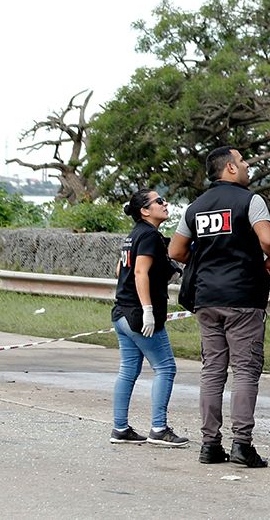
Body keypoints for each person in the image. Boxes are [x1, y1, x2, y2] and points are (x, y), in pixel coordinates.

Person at [169, 146, 270, 467]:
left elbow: (177, 250)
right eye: (243, 162)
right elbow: (268, 239)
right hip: (243, 297)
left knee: (213, 370)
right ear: (230, 169)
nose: (247, 167)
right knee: (245, 370)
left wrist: (209, 261)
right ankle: (242, 444)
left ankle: (209, 444)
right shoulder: (251, 201)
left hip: (206, 298)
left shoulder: (195, 207)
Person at [110, 188, 189, 447]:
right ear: (145, 211)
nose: (165, 204)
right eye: (158, 201)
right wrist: (147, 310)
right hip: (138, 315)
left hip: (121, 312)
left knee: (128, 370)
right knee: (166, 367)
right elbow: (140, 273)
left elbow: (120, 268)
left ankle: (120, 428)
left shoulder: (133, 236)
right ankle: (159, 428)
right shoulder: (150, 235)